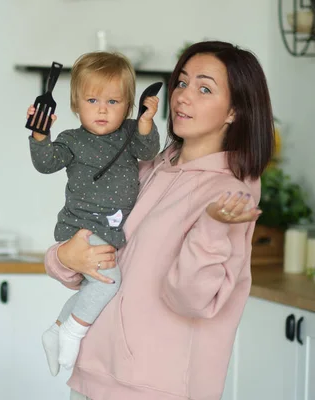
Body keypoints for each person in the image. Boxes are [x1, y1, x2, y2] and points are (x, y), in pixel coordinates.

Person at [44, 40, 274, 400]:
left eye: (204, 88)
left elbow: (192, 300)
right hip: (92, 376)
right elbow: (94, 256)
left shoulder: (230, 195)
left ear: (234, 112)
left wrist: (213, 227)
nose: (183, 97)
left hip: (154, 389)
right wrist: (62, 258)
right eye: (181, 83)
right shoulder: (147, 167)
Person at [27, 51, 161, 374]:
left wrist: (145, 123)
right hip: (80, 229)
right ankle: (72, 333)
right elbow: (45, 163)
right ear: (75, 104)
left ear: (128, 105)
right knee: (106, 283)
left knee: (94, 288)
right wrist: (39, 135)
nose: (102, 109)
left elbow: (149, 150)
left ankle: (56, 329)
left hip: (110, 231)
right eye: (92, 100)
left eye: (113, 102)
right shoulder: (72, 140)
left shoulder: (129, 134)